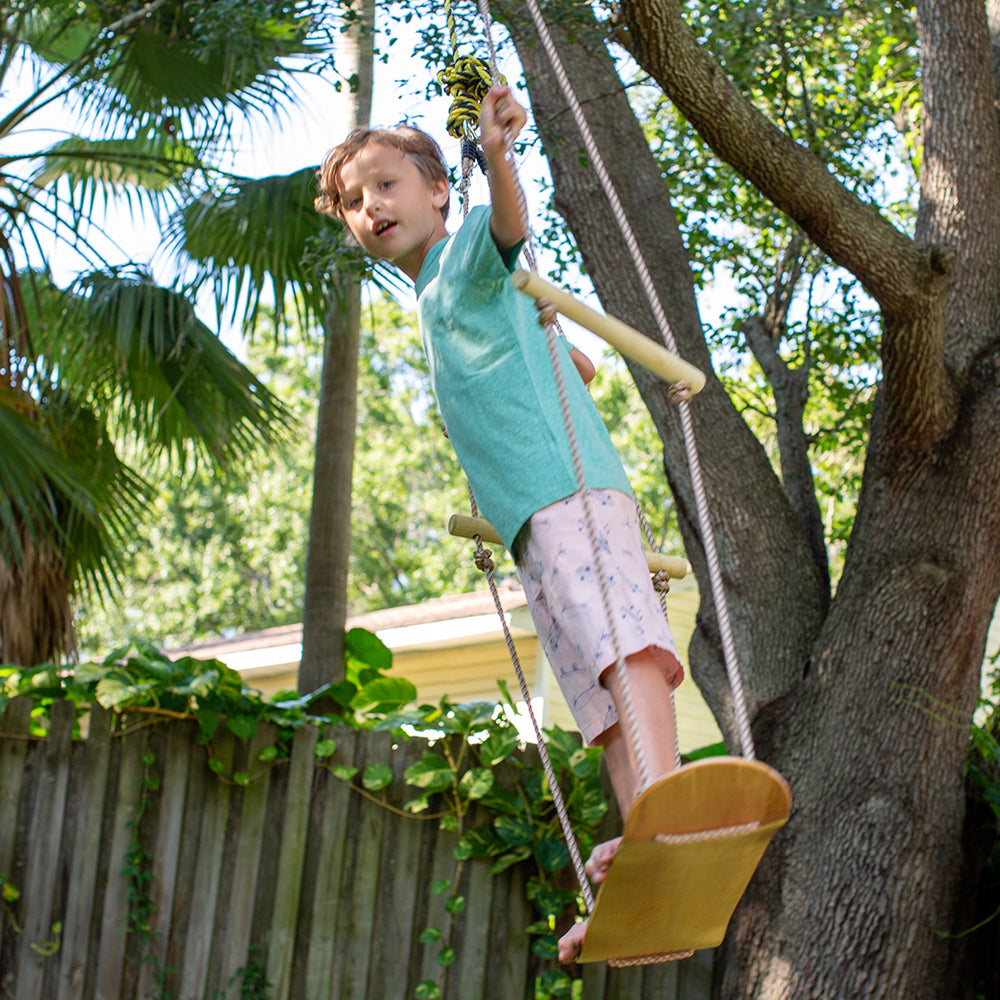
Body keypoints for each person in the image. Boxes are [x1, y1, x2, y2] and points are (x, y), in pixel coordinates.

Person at [316, 85, 683, 963]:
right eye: (354, 202)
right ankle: (651, 878)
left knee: (623, 645)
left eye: (387, 185)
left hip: (568, 493)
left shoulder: (465, 253)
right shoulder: (442, 297)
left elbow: (509, 228)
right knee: (600, 709)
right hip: (531, 522)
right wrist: (550, 343)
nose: (372, 207)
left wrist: (497, 157)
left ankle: (667, 817)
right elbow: (581, 365)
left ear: (438, 192)